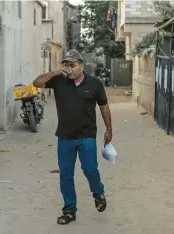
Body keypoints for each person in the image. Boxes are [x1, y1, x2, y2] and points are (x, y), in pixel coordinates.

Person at [33, 49, 113, 225]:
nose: (69, 69)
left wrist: (109, 129)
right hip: (65, 136)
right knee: (66, 175)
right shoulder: (58, 81)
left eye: (72, 65)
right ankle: (69, 210)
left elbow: (104, 107)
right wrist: (55, 72)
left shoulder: (95, 83)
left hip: (87, 135)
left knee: (90, 169)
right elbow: (36, 83)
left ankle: (98, 191)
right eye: (66, 65)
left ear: (81, 66)